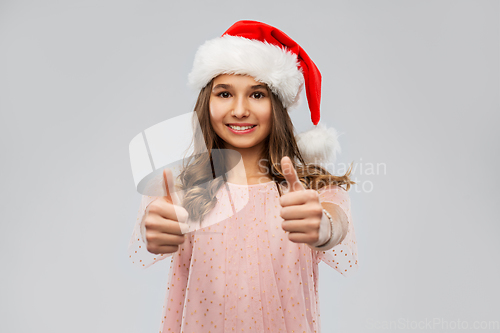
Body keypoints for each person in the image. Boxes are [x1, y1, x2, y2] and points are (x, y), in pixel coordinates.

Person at [128, 20, 359, 333]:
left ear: (276, 105)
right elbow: (153, 229)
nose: (239, 110)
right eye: (224, 94)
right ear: (206, 103)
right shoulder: (180, 187)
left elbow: (335, 223)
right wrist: (153, 230)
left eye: (257, 95)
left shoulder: (311, 190)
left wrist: (323, 226)